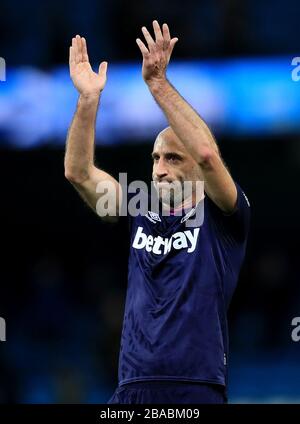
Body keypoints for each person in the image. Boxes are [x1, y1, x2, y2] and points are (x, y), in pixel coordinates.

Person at [64, 21, 250, 404]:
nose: (159, 167)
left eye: (172, 158)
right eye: (155, 158)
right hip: (131, 388)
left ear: (196, 169)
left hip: (195, 388)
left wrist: (158, 84)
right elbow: (78, 172)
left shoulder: (226, 215)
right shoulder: (139, 209)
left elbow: (207, 154)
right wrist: (87, 101)